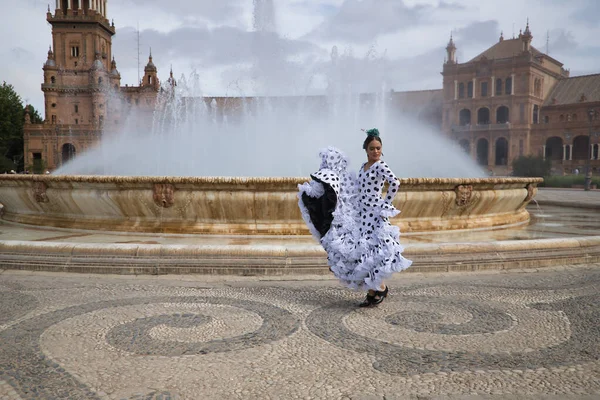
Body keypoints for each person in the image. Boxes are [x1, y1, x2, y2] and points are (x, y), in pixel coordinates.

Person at [297, 129, 411, 307]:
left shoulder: (381, 165)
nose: (376, 151)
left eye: (378, 148)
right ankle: (374, 289)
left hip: (374, 214)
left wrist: (385, 204)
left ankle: (379, 287)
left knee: (374, 250)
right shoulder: (363, 167)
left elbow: (395, 183)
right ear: (366, 149)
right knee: (365, 252)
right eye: (372, 148)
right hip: (362, 213)